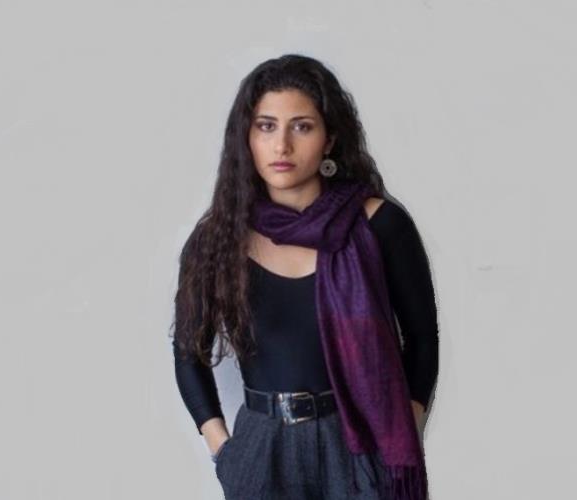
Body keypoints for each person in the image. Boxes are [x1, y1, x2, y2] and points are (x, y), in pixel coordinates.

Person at [171, 54, 440, 500]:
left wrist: (400, 434)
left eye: (302, 127)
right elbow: (187, 353)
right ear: (246, 137)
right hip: (263, 449)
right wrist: (226, 453)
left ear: (329, 138)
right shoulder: (218, 239)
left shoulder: (380, 226)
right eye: (266, 126)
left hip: (358, 444)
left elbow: (422, 338)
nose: (282, 146)